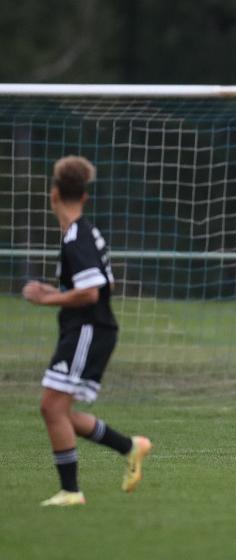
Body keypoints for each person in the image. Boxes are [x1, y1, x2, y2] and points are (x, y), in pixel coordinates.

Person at [22, 156, 152, 507]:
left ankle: (71, 491)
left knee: (52, 407)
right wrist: (54, 293)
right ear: (84, 196)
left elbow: (92, 292)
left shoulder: (77, 236)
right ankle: (130, 447)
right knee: (57, 411)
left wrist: (45, 300)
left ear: (54, 195)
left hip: (88, 330)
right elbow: (103, 284)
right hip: (88, 329)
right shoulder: (86, 232)